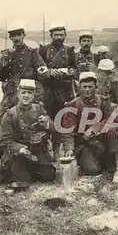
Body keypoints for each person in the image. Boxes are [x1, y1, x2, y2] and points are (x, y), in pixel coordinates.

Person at [0, 23, 49, 161]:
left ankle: (40, 152)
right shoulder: (7, 54)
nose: (16, 38)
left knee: (35, 119)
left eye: (19, 34)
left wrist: (38, 77)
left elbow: (42, 71)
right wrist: (5, 62)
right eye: (13, 35)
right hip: (11, 94)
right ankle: (2, 154)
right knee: (3, 120)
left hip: (28, 93)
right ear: (10, 38)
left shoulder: (32, 53)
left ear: (24, 35)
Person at [61, 72, 118, 176]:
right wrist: (69, 148)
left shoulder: (103, 101)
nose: (87, 89)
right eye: (84, 87)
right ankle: (92, 160)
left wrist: (95, 128)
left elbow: (112, 120)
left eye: (90, 87)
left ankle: (112, 163)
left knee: (112, 129)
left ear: (96, 87)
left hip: (101, 140)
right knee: (92, 170)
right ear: (80, 87)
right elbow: (68, 128)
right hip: (84, 144)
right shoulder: (73, 105)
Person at [0, 80, 57, 183]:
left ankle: (31, 169)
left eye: (29, 93)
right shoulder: (10, 114)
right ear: (18, 94)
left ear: (33, 95)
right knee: (22, 179)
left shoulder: (39, 109)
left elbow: (53, 129)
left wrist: (46, 123)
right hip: (18, 154)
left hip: (36, 152)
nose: (26, 96)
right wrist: (20, 149)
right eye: (23, 92)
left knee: (49, 175)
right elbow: (4, 140)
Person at [38, 23, 78, 159]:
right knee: (49, 119)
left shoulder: (69, 51)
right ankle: (48, 150)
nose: (59, 37)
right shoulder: (43, 50)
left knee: (64, 119)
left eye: (61, 35)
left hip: (65, 91)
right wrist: (49, 72)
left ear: (65, 36)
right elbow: (38, 70)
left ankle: (62, 149)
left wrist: (70, 72)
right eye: (56, 35)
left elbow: (76, 69)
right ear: (51, 36)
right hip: (48, 91)